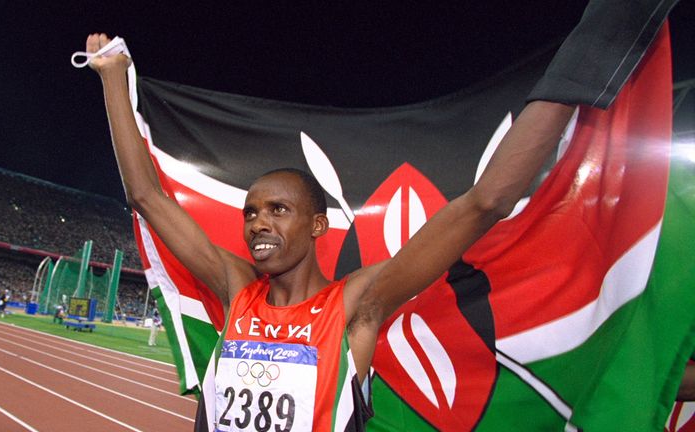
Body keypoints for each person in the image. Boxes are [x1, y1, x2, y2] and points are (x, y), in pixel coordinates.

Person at [84, 3, 663, 428]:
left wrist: (580, 75)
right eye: (252, 212)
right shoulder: (236, 290)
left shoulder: (357, 306)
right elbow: (148, 197)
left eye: (277, 210)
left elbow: (483, 202)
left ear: (317, 225)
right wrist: (114, 78)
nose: (258, 223)